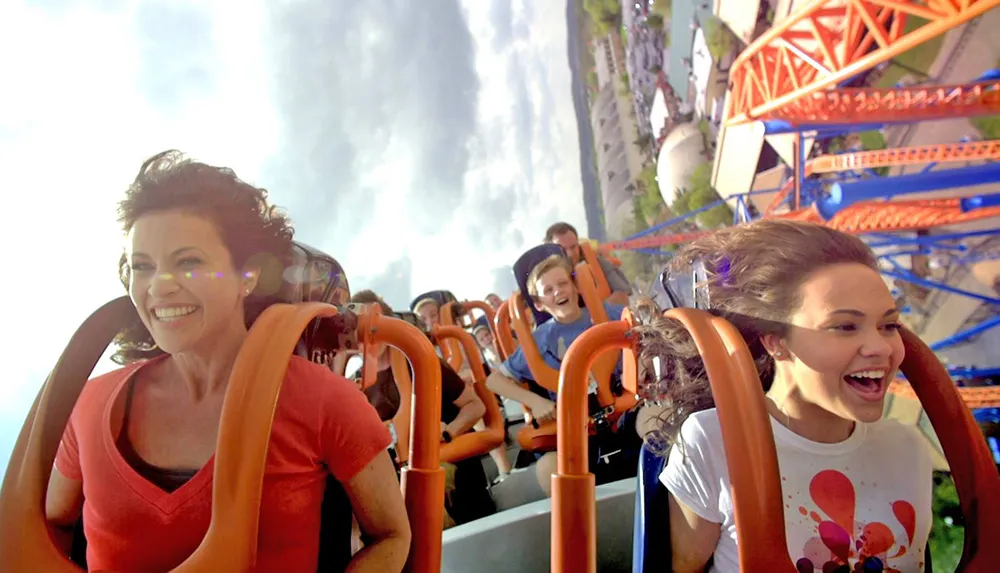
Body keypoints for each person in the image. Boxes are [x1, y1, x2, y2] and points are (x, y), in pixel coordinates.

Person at [45, 150, 410, 572]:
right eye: (142, 267)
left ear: (248, 275)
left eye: (188, 262)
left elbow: (391, 534)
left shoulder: (321, 398)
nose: (158, 288)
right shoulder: (90, 405)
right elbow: (52, 525)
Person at [634, 219, 933, 572]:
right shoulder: (716, 442)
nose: (881, 347)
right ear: (775, 340)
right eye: (845, 326)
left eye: (888, 325)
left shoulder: (908, 447)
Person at [486, 254, 640, 495]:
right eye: (548, 289)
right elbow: (493, 380)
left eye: (562, 283)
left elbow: (646, 330)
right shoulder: (539, 340)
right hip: (573, 427)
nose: (557, 292)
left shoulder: (608, 313)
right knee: (547, 467)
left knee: (656, 419)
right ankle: (581, 526)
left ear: (575, 286)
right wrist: (535, 402)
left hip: (624, 409)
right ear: (539, 303)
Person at [350, 290, 497, 524]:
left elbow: (474, 406)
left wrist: (449, 430)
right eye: (359, 327)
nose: (369, 333)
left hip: (453, 470)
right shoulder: (355, 386)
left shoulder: (422, 362)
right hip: (401, 480)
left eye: (374, 323)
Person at [544, 221, 631, 306]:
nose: (570, 254)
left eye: (573, 247)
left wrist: (596, 312)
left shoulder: (598, 263)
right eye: (563, 249)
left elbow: (623, 294)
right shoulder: (546, 283)